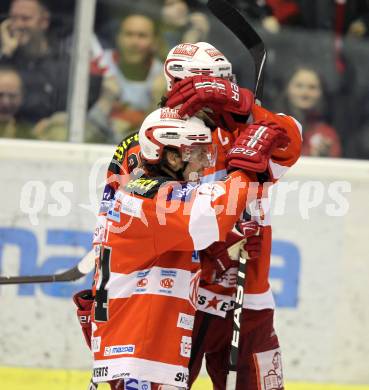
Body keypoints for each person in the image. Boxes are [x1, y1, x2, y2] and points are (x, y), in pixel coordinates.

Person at [74, 42, 301, 389]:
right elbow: (129, 222)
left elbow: (290, 142)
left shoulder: (243, 129)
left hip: (246, 294)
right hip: (182, 296)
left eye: (225, 87)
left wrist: (247, 108)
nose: (219, 98)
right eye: (209, 87)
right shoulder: (148, 145)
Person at [100, 13, 165, 139]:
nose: (134, 42)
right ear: (118, 37)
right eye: (129, 34)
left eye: (142, 36)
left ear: (154, 41)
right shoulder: (99, 64)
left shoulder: (164, 76)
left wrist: (157, 101)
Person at [272, 65, 341, 157]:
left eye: (312, 87)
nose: (305, 93)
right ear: (287, 89)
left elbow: (336, 168)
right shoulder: (270, 125)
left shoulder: (327, 134)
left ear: (321, 93)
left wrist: (324, 158)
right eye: (299, 86)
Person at [0, 65, 32, 138]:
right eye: (0, 95)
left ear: (22, 97)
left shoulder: (28, 135)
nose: (6, 102)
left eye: (12, 96)